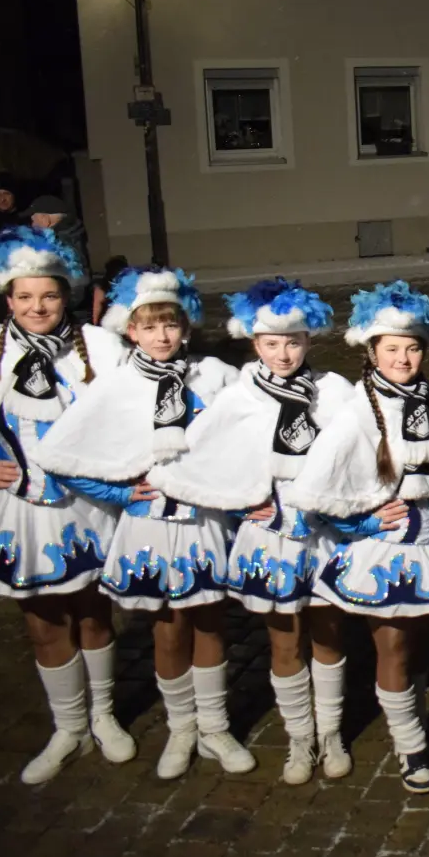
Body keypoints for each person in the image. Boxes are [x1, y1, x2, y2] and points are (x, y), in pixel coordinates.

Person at [32, 266, 255, 780]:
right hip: (148, 525)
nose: (161, 336)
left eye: (170, 324)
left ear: (186, 327)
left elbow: (250, 436)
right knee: (168, 630)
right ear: (130, 331)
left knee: (210, 623)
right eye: (149, 326)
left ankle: (214, 727)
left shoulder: (214, 376)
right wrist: (118, 492)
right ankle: (181, 728)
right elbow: (60, 454)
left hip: (203, 522)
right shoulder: (117, 385)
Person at [0, 226, 133, 783]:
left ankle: (104, 716)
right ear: (8, 298)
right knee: (44, 624)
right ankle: (68, 728)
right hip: (21, 511)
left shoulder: (98, 347)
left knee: (95, 614)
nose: (37, 306)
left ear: (66, 294)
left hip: (90, 507)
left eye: (48, 295)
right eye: (25, 296)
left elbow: (135, 416)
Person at [146, 277, 356, 785]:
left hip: (323, 533)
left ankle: (330, 733)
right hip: (269, 538)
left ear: (309, 340)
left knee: (328, 636)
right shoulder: (239, 396)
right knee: (284, 642)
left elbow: (358, 459)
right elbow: (205, 459)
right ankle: (299, 738)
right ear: (254, 342)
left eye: (293, 342)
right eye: (271, 343)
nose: (283, 354)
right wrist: (243, 507)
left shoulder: (334, 391)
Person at [282, 281, 429, 794]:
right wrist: (363, 524)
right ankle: (409, 745)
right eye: (392, 348)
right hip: (387, 549)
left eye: (412, 348)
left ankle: (417, 724)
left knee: (423, 645)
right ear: (372, 352)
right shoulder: (356, 413)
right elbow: (315, 489)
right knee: (393, 647)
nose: (403, 358)